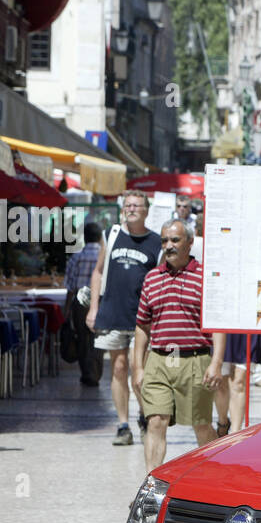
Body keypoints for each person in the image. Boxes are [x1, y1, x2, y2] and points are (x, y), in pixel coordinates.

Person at [132, 219, 223, 472]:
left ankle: (215, 477)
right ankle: (150, 486)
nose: (168, 246)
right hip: (159, 360)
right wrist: (137, 367)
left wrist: (216, 363)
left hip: (195, 360)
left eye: (175, 240)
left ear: (190, 243)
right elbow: (142, 325)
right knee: (156, 421)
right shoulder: (151, 278)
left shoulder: (204, 277)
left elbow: (217, 324)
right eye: (164, 241)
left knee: (201, 424)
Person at [86, 190, 162, 445]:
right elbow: (97, 273)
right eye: (128, 205)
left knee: (139, 371)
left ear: (146, 210)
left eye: (136, 205)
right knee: (118, 368)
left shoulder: (156, 242)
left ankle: (144, 415)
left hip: (143, 319)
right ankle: (122, 424)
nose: (131, 209)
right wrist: (93, 308)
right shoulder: (111, 235)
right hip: (113, 312)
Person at [64, 222, 105, 386]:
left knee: (82, 338)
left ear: (85, 237)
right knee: (98, 338)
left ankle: (86, 373)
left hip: (80, 303)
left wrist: (67, 308)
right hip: (101, 301)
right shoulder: (104, 256)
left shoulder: (76, 256)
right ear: (100, 237)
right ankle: (95, 373)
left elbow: (70, 286)